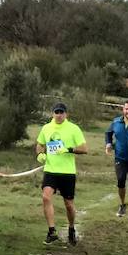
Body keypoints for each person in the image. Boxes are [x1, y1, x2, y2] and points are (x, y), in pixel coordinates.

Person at [36, 101, 88, 246]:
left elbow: (84, 148)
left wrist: (68, 150)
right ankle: (51, 231)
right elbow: (40, 144)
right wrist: (40, 154)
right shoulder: (46, 128)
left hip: (67, 172)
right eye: (56, 112)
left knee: (69, 205)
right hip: (51, 170)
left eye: (61, 112)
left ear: (66, 114)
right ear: (52, 113)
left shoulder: (73, 128)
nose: (59, 115)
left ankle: (71, 228)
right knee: (46, 197)